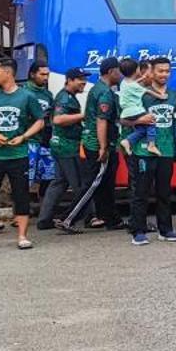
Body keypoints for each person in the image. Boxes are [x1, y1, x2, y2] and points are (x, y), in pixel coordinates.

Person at [0, 58, 46, 251]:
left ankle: (22, 236)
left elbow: (40, 121)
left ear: (8, 73)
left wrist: (24, 136)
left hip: (18, 155)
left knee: (21, 195)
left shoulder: (27, 97)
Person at [122, 56, 176, 245]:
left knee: (164, 192)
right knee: (141, 192)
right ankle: (137, 231)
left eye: (167, 71)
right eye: (160, 71)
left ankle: (166, 229)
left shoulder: (175, 95)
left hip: (166, 151)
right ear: (151, 72)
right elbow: (122, 119)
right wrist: (139, 121)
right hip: (143, 151)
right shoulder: (140, 93)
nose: (164, 74)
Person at [61, 57, 125, 232]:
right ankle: (68, 218)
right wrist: (103, 147)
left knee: (105, 184)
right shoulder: (104, 92)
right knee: (93, 184)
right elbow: (101, 121)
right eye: (119, 71)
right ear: (112, 71)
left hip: (101, 143)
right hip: (98, 145)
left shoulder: (99, 89)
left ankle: (112, 219)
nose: (121, 74)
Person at [35, 68, 91, 230]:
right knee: (80, 185)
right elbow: (58, 119)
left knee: (59, 182)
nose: (84, 82)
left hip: (61, 145)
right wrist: (83, 116)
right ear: (70, 80)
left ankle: (44, 220)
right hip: (67, 147)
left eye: (85, 79)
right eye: (80, 79)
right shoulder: (64, 98)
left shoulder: (69, 97)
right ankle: (80, 218)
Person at [23, 61, 59, 223]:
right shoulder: (24, 93)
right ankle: (21, 212)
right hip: (29, 140)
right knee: (25, 178)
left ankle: (45, 213)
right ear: (32, 74)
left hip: (45, 141)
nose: (45, 78)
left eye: (47, 75)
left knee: (48, 177)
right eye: (42, 74)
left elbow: (51, 117)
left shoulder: (47, 95)